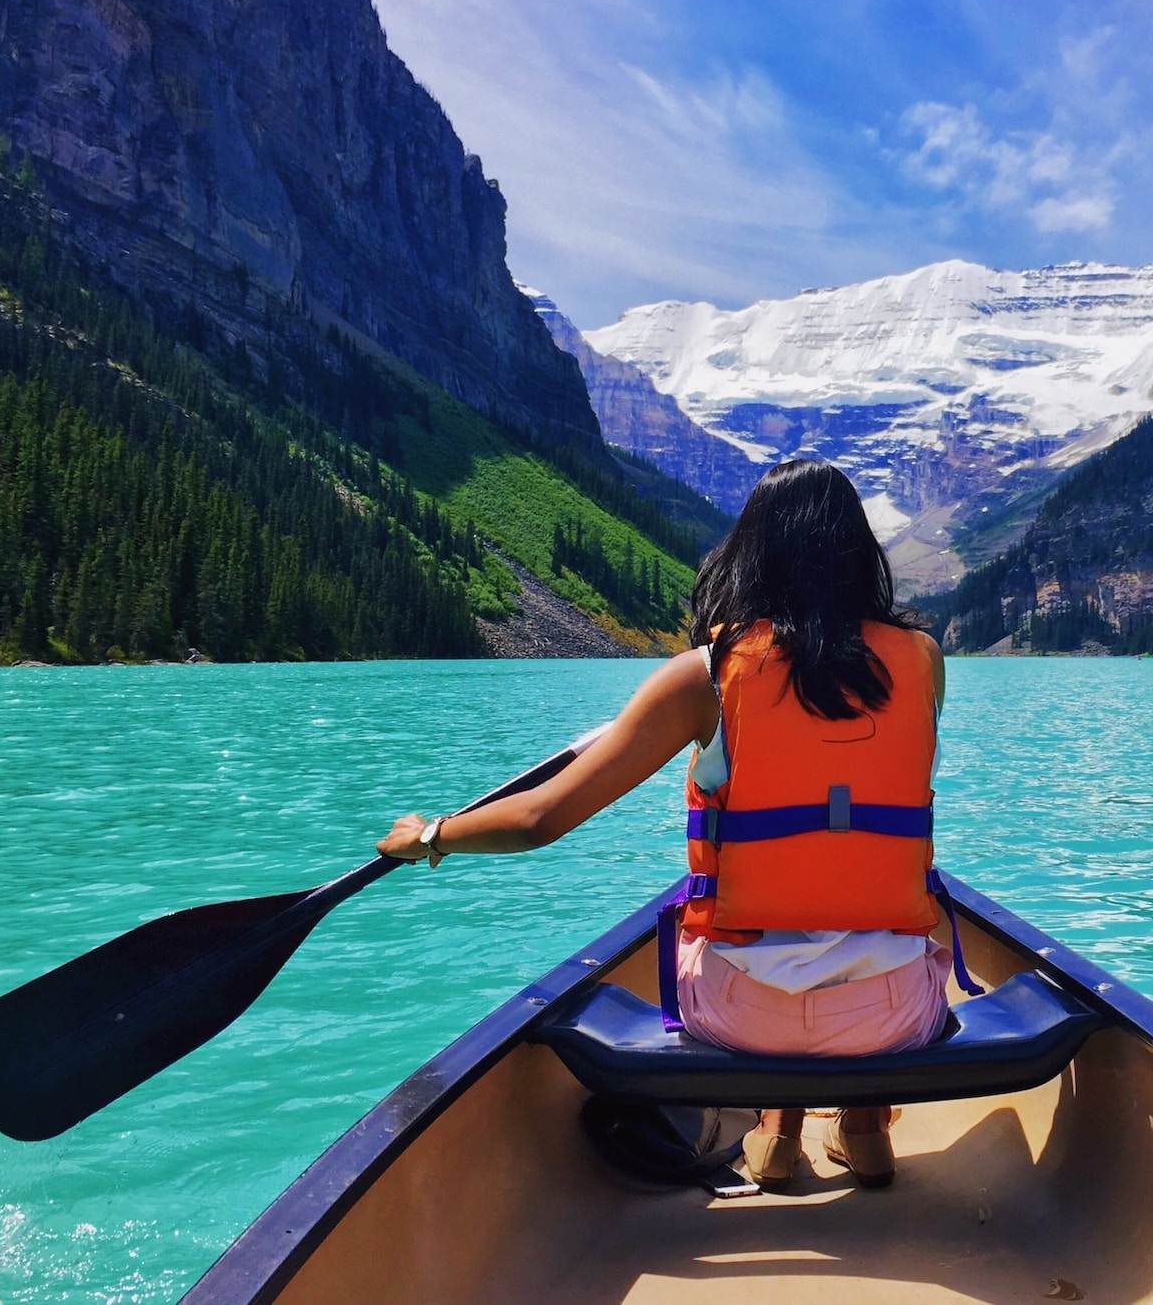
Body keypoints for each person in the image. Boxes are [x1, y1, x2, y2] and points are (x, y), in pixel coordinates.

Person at [377, 459, 966, 1190]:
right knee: (899, 935)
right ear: (858, 555)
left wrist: (432, 835)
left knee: (736, 942)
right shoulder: (924, 661)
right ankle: (867, 1127)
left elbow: (540, 818)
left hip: (741, 1013)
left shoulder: (708, 675)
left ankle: (775, 1131)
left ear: (753, 551)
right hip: (888, 1016)